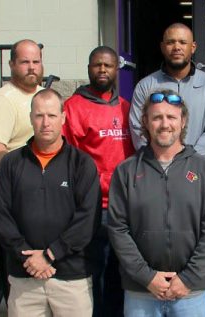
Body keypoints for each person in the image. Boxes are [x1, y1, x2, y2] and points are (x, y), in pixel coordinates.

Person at [108, 90, 205, 316]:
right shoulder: (126, 171)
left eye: (171, 117)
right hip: (140, 293)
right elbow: (118, 230)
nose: (164, 124)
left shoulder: (204, 170)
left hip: (191, 294)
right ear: (145, 122)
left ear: (183, 121)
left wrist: (188, 278)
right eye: (157, 117)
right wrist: (147, 277)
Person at [0, 89, 102, 317]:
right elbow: (1, 216)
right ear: (31, 118)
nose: (45, 123)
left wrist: (49, 255)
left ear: (63, 118)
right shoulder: (11, 164)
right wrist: (27, 258)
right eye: (39, 115)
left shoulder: (82, 164)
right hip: (25, 279)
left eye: (51, 116)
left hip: (71, 279)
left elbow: (88, 220)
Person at [62, 46, 134, 317]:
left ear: (117, 69)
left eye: (108, 65)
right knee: (100, 274)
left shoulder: (127, 108)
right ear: (89, 68)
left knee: (123, 271)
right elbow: (69, 161)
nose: (102, 70)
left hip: (126, 206)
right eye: (97, 65)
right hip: (96, 207)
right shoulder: (73, 107)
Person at [130, 23, 205, 161]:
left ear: (193, 47)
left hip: (198, 169)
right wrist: (160, 161)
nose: (177, 47)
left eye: (182, 42)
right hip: (157, 169)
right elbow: (137, 128)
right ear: (163, 47)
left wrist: (188, 162)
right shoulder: (145, 86)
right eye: (170, 42)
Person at [0, 39, 44, 170]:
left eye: (36, 62)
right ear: (12, 65)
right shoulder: (2, 101)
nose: (31, 67)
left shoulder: (46, 96)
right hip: (20, 183)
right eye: (25, 62)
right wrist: (18, 180)